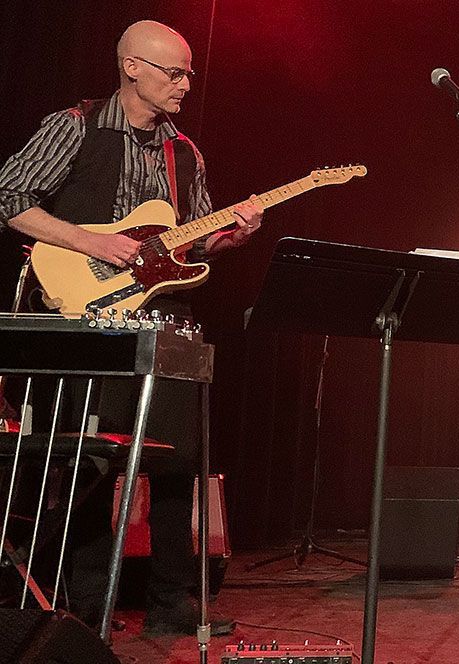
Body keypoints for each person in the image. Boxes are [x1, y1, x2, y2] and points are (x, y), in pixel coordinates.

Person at [0, 20, 263, 635]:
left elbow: (191, 247)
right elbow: (9, 196)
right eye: (175, 72)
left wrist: (233, 234)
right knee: (87, 462)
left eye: (190, 73)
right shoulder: (75, 126)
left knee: (178, 464)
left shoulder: (185, 153)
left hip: (159, 322)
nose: (186, 84)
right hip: (82, 319)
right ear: (132, 68)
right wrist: (88, 239)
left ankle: (171, 604)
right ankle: (83, 608)